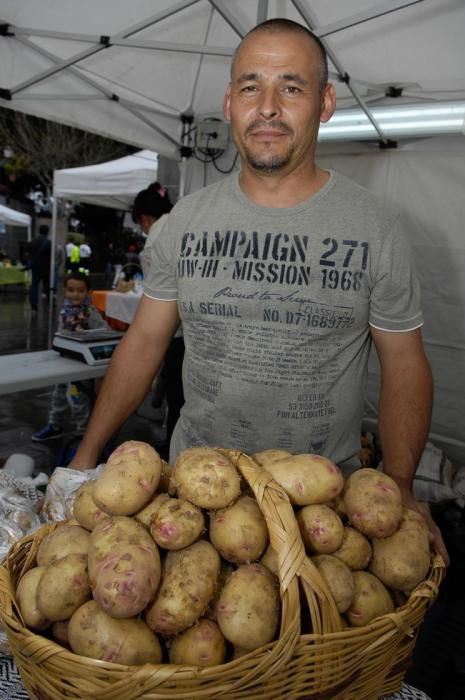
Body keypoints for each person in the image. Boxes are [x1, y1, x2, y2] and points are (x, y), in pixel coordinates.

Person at [70, 19, 447, 561]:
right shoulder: (184, 223)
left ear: (325, 103)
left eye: (291, 87)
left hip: (321, 511)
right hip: (190, 503)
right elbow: (145, 342)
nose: (267, 106)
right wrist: (85, 457)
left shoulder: (375, 228)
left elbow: (405, 362)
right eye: (251, 86)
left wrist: (400, 485)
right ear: (229, 102)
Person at [131, 182, 185, 457]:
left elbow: (159, 296)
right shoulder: (180, 220)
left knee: (177, 393)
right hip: (191, 327)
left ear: (143, 218)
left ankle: (174, 452)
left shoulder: (156, 236)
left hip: (177, 331)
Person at [32, 271, 109, 442]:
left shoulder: (89, 311)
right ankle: (54, 424)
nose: (75, 294)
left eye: (80, 291)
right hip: (63, 358)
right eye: (71, 290)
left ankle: (83, 430)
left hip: (79, 364)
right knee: (58, 393)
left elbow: (104, 330)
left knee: (76, 396)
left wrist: (87, 335)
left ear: (88, 292)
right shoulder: (65, 309)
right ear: (65, 291)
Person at [25, 224, 51, 312]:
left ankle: (34, 305)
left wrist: (30, 262)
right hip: (46, 267)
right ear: (47, 231)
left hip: (35, 267)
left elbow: (27, 254)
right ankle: (48, 304)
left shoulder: (32, 241)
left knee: (34, 285)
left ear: (39, 230)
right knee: (47, 286)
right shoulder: (49, 242)